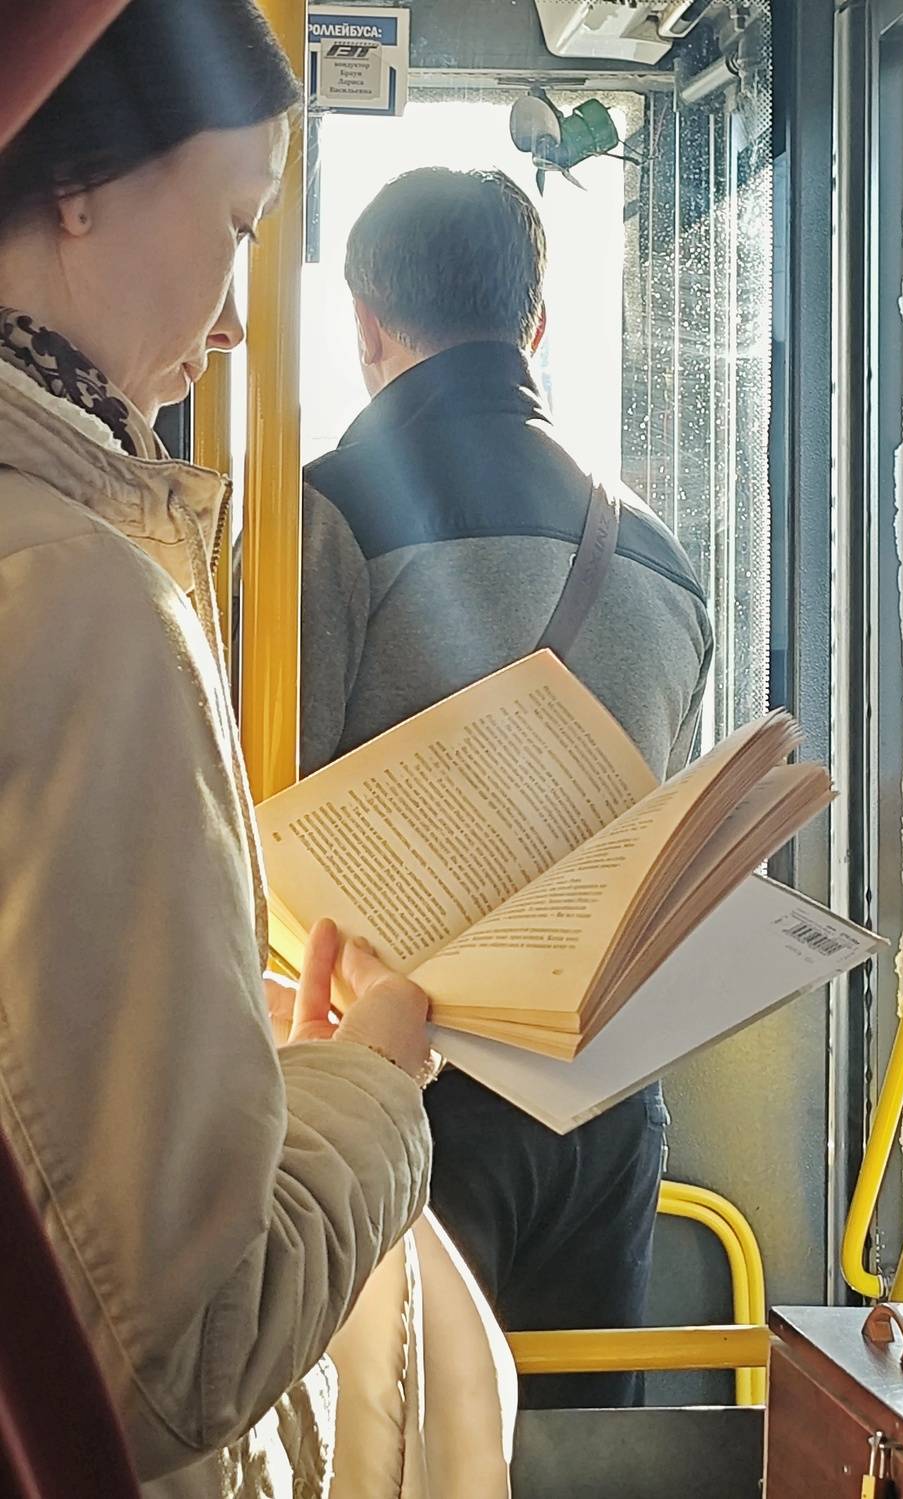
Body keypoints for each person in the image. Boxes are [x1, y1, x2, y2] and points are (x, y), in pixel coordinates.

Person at [0, 7, 513, 1497]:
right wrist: (374, 1077)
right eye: (237, 222)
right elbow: (176, 1350)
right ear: (80, 184)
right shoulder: (83, 599)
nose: (233, 321)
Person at [301, 167, 714, 1409]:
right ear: (536, 324)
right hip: (608, 1104)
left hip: (405, 1093)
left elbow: (261, 815)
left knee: (405, 1443)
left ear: (365, 323)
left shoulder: (320, 516)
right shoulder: (663, 560)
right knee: (578, 1448)